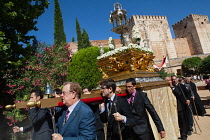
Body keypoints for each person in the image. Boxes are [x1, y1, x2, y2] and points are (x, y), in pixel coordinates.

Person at [170, 76, 191, 140]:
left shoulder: (181, 86)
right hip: (172, 108)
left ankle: (184, 135)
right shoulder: (168, 87)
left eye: (175, 79)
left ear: (177, 79)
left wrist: (188, 99)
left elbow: (186, 93)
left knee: (183, 121)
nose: (174, 81)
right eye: (172, 80)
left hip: (181, 107)